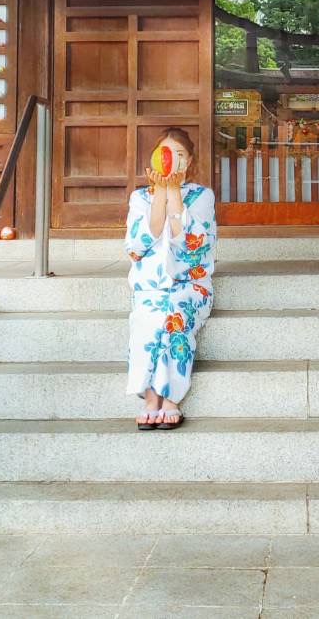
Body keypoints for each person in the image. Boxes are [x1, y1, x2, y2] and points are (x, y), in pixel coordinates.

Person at [123, 127, 216, 430]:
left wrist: (174, 194)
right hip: (150, 286)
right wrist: (159, 196)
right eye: (167, 154)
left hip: (190, 284)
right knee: (149, 317)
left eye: (180, 155)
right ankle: (151, 397)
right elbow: (136, 246)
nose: (173, 161)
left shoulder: (202, 197)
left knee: (175, 312)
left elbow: (194, 246)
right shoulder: (140, 198)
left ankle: (171, 398)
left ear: (189, 162)